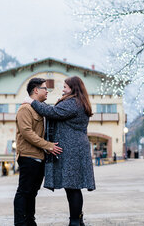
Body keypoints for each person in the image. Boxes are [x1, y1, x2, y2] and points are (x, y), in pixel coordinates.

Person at [25, 76, 95, 226]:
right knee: (73, 186)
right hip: (75, 148)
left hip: (72, 149)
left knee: (72, 187)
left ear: (73, 88)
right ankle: (78, 219)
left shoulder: (73, 102)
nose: (63, 89)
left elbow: (53, 112)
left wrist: (33, 102)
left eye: (65, 87)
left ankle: (75, 221)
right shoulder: (78, 101)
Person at [14, 77, 63, 226]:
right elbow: (27, 132)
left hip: (38, 157)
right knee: (24, 191)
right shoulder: (25, 109)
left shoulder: (38, 108)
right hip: (28, 156)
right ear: (36, 90)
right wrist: (48, 145)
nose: (47, 91)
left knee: (32, 192)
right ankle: (21, 223)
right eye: (44, 88)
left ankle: (30, 221)